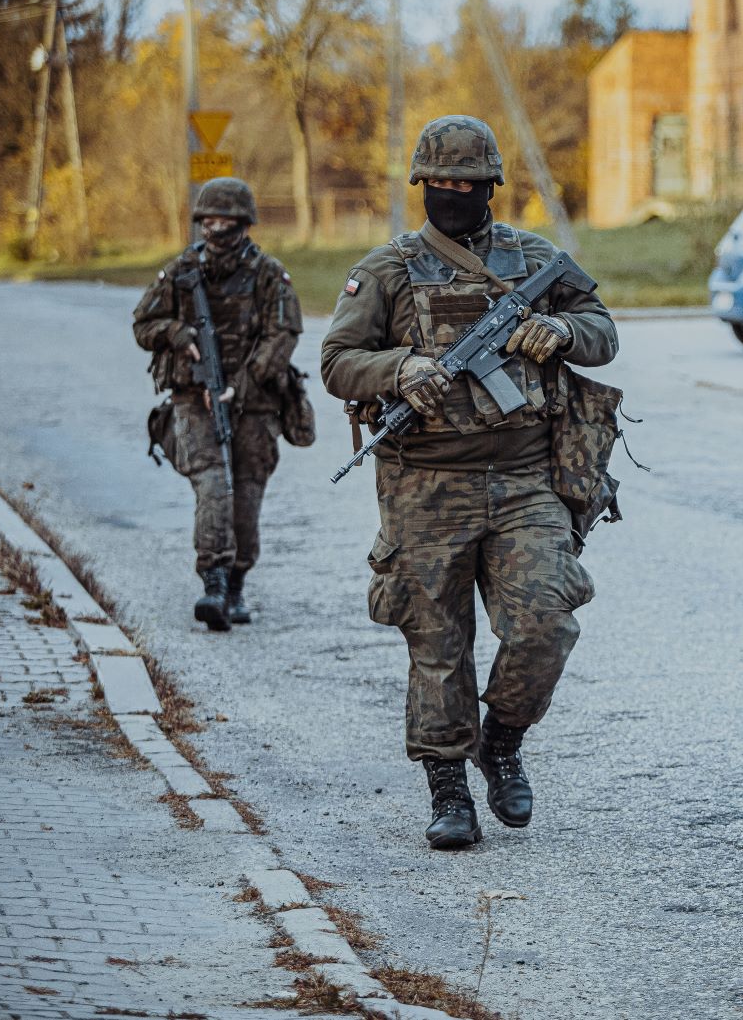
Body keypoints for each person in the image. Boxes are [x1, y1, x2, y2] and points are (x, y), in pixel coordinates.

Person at [320, 115, 619, 851]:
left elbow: (600, 326)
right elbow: (335, 361)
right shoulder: (387, 270)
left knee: (546, 619)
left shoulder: (532, 257)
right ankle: (448, 784)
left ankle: (503, 739)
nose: (456, 194)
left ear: (491, 188)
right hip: (426, 482)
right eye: (443, 184)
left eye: (470, 185)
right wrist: (401, 368)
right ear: (422, 185)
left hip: (524, 476)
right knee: (437, 642)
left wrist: (565, 333)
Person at [134, 178, 301, 630]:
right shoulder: (182, 271)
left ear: (244, 225)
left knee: (246, 491)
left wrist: (242, 385)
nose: (216, 231)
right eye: (209, 222)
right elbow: (144, 322)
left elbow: (282, 336)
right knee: (212, 484)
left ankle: (237, 582)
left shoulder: (268, 274)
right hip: (194, 399)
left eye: (226, 223)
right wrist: (178, 334)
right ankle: (213, 581)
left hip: (255, 403)